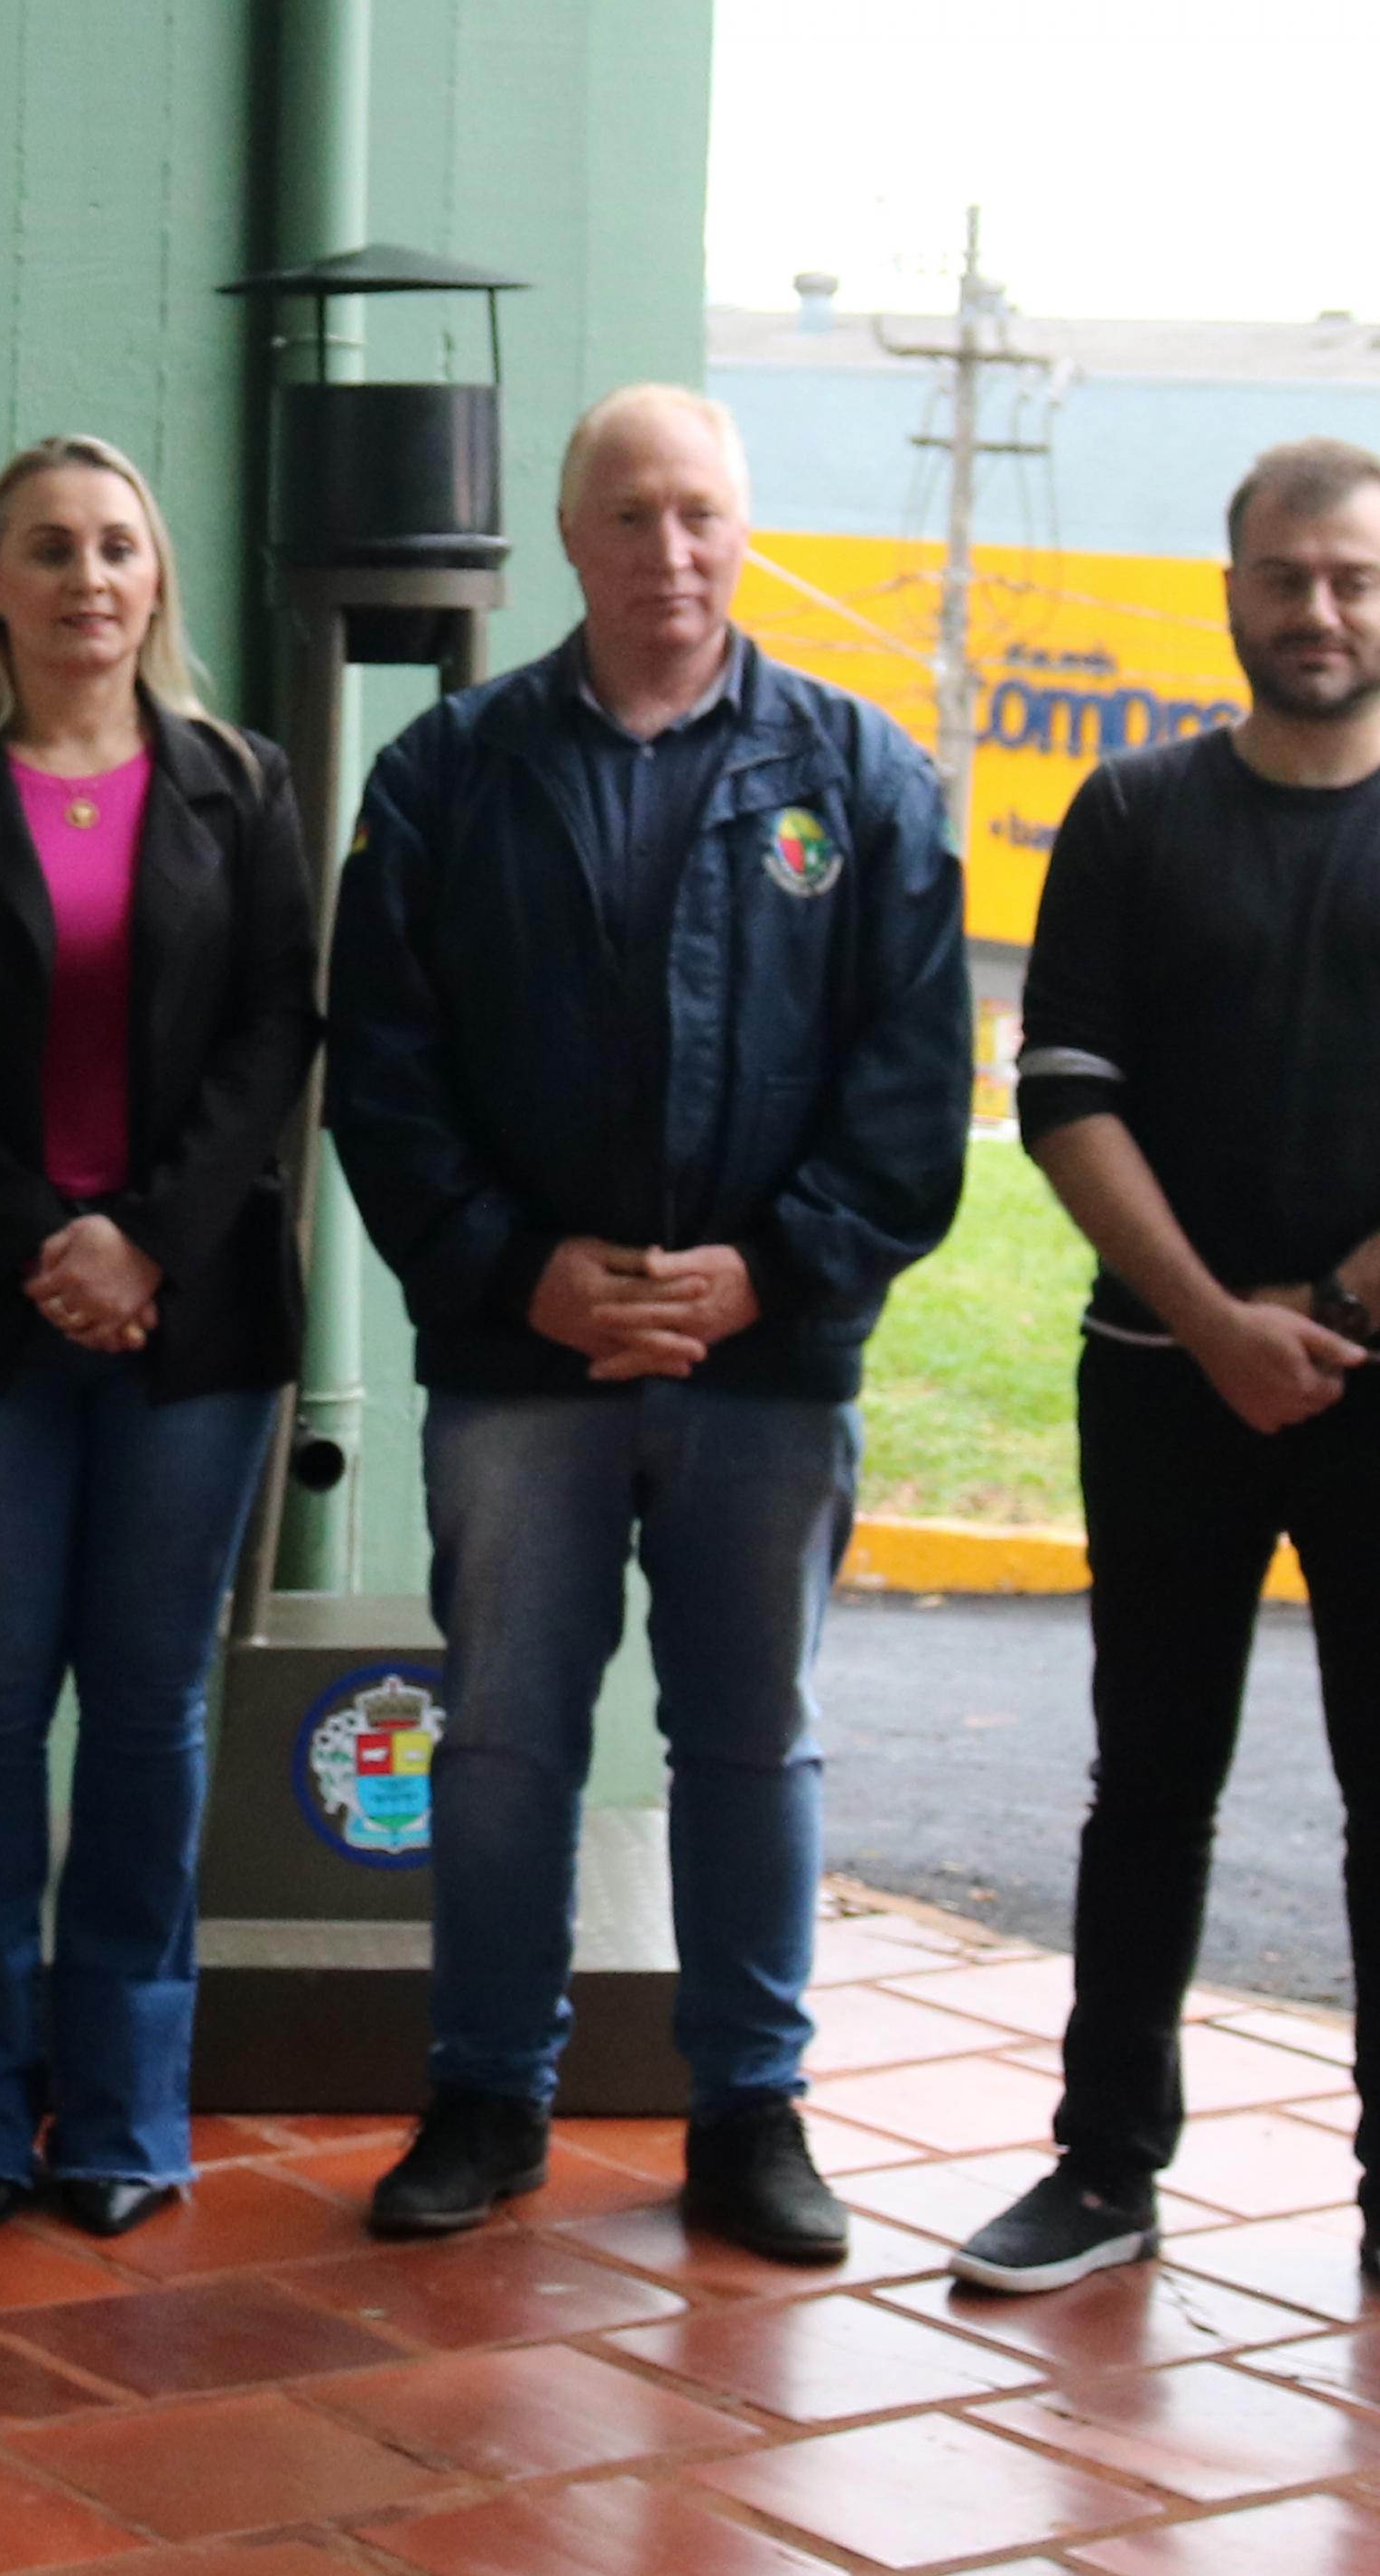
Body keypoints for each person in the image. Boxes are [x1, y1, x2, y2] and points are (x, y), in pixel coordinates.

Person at [948, 441, 1380, 2316]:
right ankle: (1102, 2166)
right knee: (1150, 1776)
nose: (1319, 609)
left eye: (1352, 578)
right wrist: (1212, 1320)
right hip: (1162, 1377)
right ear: (1229, 589)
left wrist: (1340, 1306)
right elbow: (1063, 1085)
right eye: (1285, 575)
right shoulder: (1133, 812)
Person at [323, 382, 969, 2262]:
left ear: (743, 530)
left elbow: (916, 1083)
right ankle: (486, 2097)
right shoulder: (447, 776)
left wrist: (769, 1269)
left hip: (767, 1364)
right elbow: (383, 1070)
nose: (667, 552)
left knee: (753, 1742)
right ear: (569, 535)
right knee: (502, 1741)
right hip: (521, 1362)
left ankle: (752, 2113)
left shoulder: (863, 779)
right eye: (628, 515)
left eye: (698, 513)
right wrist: (519, 1269)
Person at [0, 438, 317, 2238]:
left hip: (192, 1321)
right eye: (49, 549)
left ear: (155, 580)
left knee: (151, 1718)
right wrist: (51, 1241)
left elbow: (276, 1031)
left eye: (117, 546)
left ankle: (121, 2117)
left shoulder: (239, 784)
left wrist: (145, 1240)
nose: (87, 578)